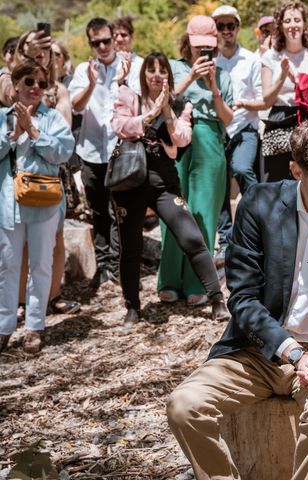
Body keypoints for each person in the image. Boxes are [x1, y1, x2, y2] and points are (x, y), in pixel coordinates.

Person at [166, 118, 308, 480]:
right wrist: (292, 353)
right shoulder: (259, 203)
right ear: (296, 170)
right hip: (259, 351)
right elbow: (243, 298)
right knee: (184, 406)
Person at [111, 52, 230, 326]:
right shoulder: (129, 97)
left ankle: (216, 301)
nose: (156, 75)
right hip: (130, 181)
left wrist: (165, 110)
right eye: (150, 70)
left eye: (162, 70)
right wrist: (149, 114)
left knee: (192, 238)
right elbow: (120, 126)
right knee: (131, 246)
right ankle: (133, 307)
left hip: (163, 182)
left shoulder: (181, 104)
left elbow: (182, 138)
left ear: (169, 75)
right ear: (143, 75)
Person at [157, 16, 232, 306]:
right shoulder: (174, 68)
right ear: (187, 41)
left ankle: (197, 282)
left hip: (211, 137)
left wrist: (213, 86)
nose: (204, 52)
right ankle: (169, 279)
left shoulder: (222, 75)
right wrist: (190, 77)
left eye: (208, 47)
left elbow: (228, 118)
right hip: (176, 136)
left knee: (203, 212)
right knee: (175, 209)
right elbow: (164, 99)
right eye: (198, 45)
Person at [0, 61, 74, 353]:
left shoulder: (53, 118)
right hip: (8, 202)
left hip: (44, 203)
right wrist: (14, 134)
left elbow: (63, 152)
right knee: (7, 264)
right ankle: (5, 326)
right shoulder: (3, 117)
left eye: (42, 84)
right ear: (15, 84)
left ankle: (34, 326)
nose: (35, 88)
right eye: (29, 81)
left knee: (41, 264)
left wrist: (34, 131)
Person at [10, 30, 80, 317]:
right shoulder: (16, 83)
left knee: (56, 239)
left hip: (52, 173)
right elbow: (11, 87)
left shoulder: (57, 91)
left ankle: (53, 295)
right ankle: (22, 302)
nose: (40, 55)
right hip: (19, 175)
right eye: (33, 50)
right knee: (23, 243)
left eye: (45, 50)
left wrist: (38, 120)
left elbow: (63, 130)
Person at [68, 17, 140, 288]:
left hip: (122, 151)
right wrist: (89, 83)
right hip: (92, 151)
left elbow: (139, 102)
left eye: (106, 40)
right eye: (95, 42)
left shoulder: (134, 65)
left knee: (121, 210)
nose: (102, 46)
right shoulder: (83, 69)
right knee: (98, 212)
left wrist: (123, 80)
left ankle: (121, 265)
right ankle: (103, 266)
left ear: (115, 38)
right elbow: (75, 106)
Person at [211, 5, 263, 262]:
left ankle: (257, 229)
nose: (226, 31)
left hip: (244, 129)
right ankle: (226, 240)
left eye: (230, 25)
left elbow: (261, 98)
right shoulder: (210, 61)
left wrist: (241, 105)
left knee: (243, 170)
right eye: (220, 26)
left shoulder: (251, 59)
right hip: (218, 131)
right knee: (220, 184)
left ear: (237, 28)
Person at [259, 1, 308, 182]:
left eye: (297, 20)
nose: (293, 25)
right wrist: (282, 77)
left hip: (306, 120)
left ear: (304, 24)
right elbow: (267, 99)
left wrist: (296, 81)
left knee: (306, 182)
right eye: (288, 21)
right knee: (274, 184)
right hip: (279, 119)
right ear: (281, 26)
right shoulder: (270, 57)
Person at [111, 16, 144, 95]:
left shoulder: (141, 63)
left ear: (131, 37)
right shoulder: (106, 63)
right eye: (115, 35)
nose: (119, 39)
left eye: (123, 35)